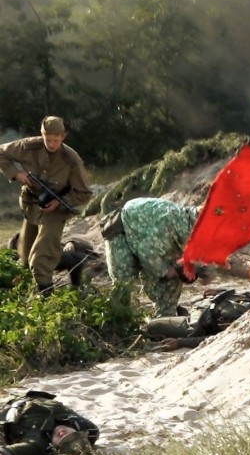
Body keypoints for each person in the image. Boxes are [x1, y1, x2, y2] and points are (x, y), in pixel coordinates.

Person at [0, 116, 93, 293]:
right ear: (41, 135)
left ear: (63, 137)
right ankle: (73, 259)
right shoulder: (29, 146)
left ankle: (46, 302)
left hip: (57, 210)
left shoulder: (70, 159)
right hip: (32, 205)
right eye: (47, 139)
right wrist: (16, 174)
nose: (51, 144)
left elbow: (84, 193)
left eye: (56, 140)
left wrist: (60, 202)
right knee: (26, 259)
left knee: (40, 261)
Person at [103, 197, 208, 317]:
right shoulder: (169, 225)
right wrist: (166, 271)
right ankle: (117, 320)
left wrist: (202, 270)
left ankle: (165, 319)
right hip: (123, 231)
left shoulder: (190, 227)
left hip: (149, 239)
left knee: (173, 279)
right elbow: (147, 252)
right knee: (122, 284)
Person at [0, 391, 99, 455]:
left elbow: (8, 452)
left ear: (54, 449)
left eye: (62, 440)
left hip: (4, 408)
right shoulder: (89, 429)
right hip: (22, 394)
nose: (63, 433)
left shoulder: (37, 444)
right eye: (72, 434)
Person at [145, 289, 250, 350]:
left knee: (153, 326)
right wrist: (219, 293)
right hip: (201, 309)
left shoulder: (237, 318)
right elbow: (241, 293)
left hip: (195, 326)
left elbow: (217, 339)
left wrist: (180, 342)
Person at [7, 233, 98, 287]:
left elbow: (86, 244)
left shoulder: (48, 245)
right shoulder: (21, 259)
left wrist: (71, 243)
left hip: (87, 262)